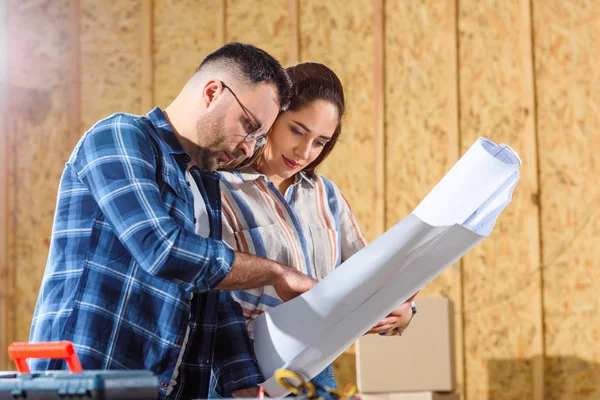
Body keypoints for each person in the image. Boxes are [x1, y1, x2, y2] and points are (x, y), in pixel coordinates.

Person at [29, 43, 317, 400]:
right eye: (249, 126)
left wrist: (243, 385)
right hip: (85, 378)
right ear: (213, 93)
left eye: (258, 139)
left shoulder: (206, 186)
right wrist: (279, 273)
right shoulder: (120, 136)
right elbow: (161, 249)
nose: (248, 148)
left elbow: (214, 293)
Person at [216, 62, 417, 398]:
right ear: (273, 115)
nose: (304, 152)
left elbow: (365, 278)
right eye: (297, 130)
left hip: (314, 371)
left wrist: (402, 313)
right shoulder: (221, 188)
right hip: (236, 369)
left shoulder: (326, 196)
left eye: (320, 142)